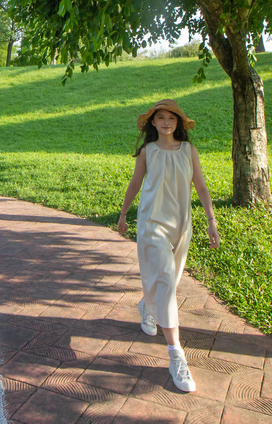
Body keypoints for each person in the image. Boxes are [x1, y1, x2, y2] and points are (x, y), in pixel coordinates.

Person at [117, 99, 220, 392]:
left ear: (178, 123)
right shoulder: (147, 152)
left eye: (171, 118)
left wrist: (211, 220)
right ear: (153, 123)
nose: (165, 122)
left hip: (181, 226)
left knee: (169, 285)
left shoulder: (188, 150)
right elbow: (135, 184)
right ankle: (176, 354)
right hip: (152, 223)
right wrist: (124, 213)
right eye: (160, 118)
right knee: (164, 279)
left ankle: (147, 306)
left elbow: (200, 186)